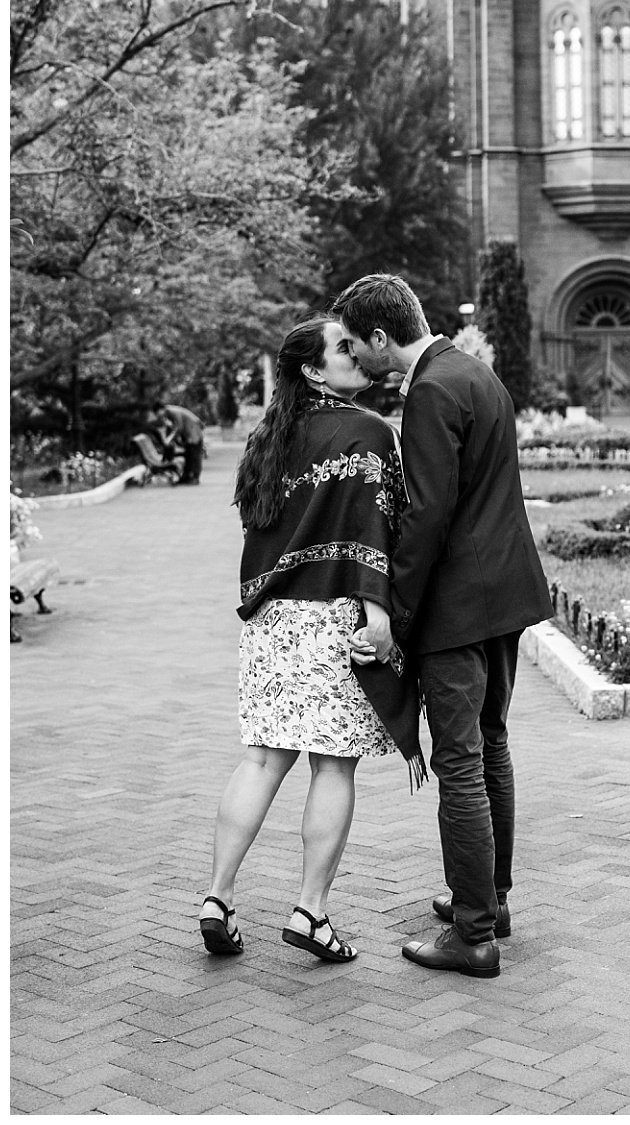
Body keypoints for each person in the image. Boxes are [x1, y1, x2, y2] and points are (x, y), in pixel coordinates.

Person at [332, 273, 554, 979]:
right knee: (491, 744)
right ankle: (492, 898)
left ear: (379, 337)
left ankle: (473, 933)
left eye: (353, 344)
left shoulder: (428, 391)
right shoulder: (476, 372)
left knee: (459, 759)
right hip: (508, 593)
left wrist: (394, 616)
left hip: (459, 605)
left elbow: (427, 516)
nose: (353, 359)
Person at [199, 316, 422, 964]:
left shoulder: (269, 438)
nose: (357, 354)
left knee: (263, 761)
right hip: (335, 619)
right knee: (332, 766)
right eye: (343, 347)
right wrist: (379, 614)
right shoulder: (370, 432)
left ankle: (217, 896)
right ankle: (310, 910)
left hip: (273, 621)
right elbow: (382, 530)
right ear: (315, 370)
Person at [150, 400, 206, 484]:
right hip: (190, 434)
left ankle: (195, 478)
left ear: (161, 409)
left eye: (158, 413)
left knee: (195, 455)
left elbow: (179, 427)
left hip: (194, 432)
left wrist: (169, 439)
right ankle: (186, 477)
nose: (158, 416)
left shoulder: (173, 412)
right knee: (189, 455)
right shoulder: (168, 413)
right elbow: (173, 427)